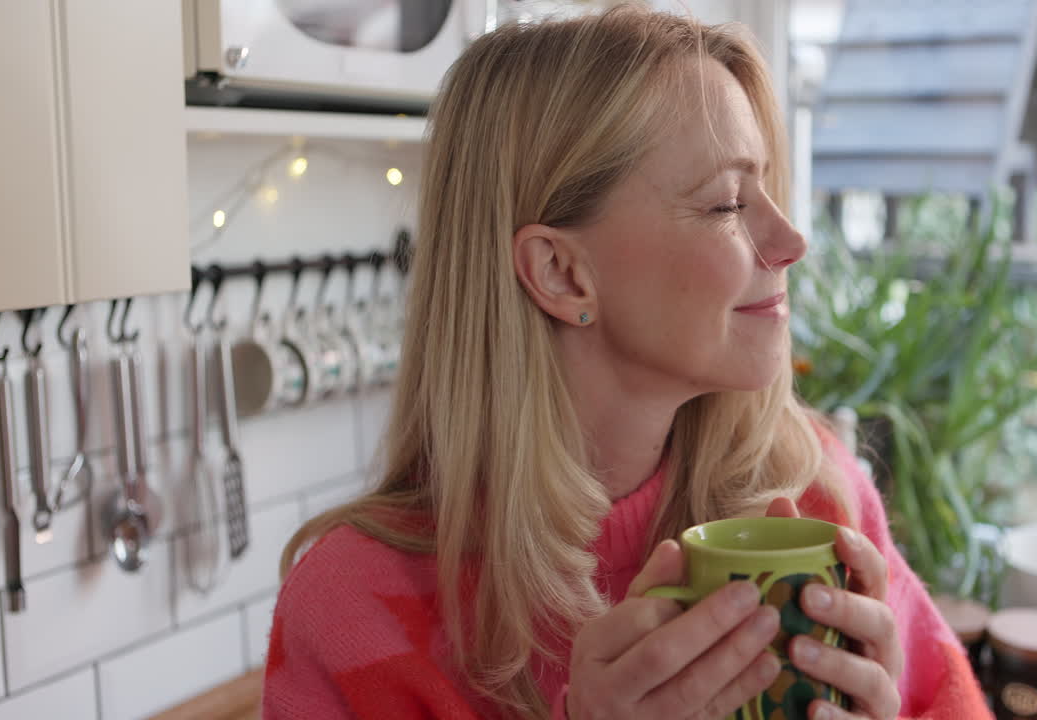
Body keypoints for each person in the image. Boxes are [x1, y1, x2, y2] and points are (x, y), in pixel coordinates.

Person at [263, 6, 991, 720]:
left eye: (765, 188)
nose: (792, 240)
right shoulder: (349, 610)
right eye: (728, 204)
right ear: (560, 273)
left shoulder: (817, 502)